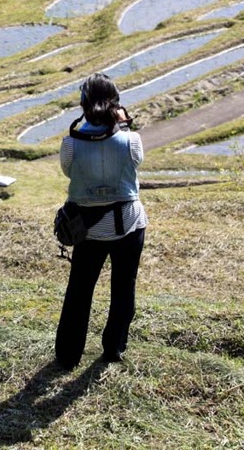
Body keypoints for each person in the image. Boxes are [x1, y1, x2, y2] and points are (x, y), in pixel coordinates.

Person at [55, 72, 148, 369]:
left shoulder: (70, 143)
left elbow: (70, 173)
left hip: (89, 229)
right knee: (123, 288)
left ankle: (68, 355)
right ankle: (113, 349)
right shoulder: (132, 140)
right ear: (116, 106)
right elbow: (134, 162)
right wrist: (122, 125)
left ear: (84, 105)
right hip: (129, 225)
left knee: (79, 292)